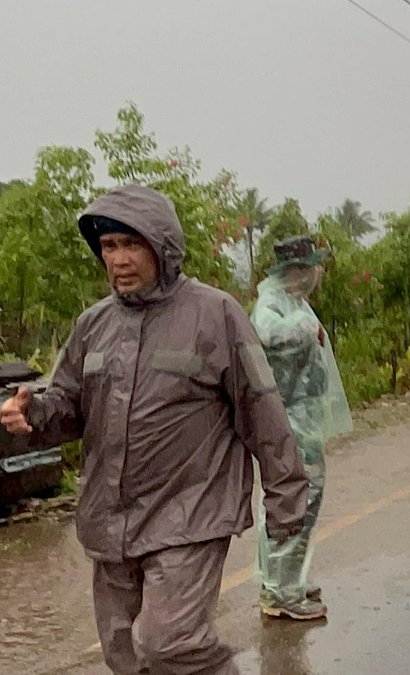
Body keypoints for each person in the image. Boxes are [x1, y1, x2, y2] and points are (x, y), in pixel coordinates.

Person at [0, 185, 308, 675]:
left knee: (171, 645)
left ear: (162, 247)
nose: (118, 259)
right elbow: (70, 404)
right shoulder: (93, 324)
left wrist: (286, 497)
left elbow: (262, 408)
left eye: (130, 244)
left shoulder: (215, 314)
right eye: (108, 247)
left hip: (191, 511)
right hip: (112, 516)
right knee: (123, 655)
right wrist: (33, 413)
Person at [250, 235, 353, 621]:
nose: (317, 274)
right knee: (296, 501)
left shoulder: (291, 300)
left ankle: (283, 581)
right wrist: (305, 329)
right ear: (296, 271)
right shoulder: (273, 303)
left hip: (301, 418)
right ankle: (280, 593)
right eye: (312, 266)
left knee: (297, 500)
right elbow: (265, 333)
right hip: (288, 420)